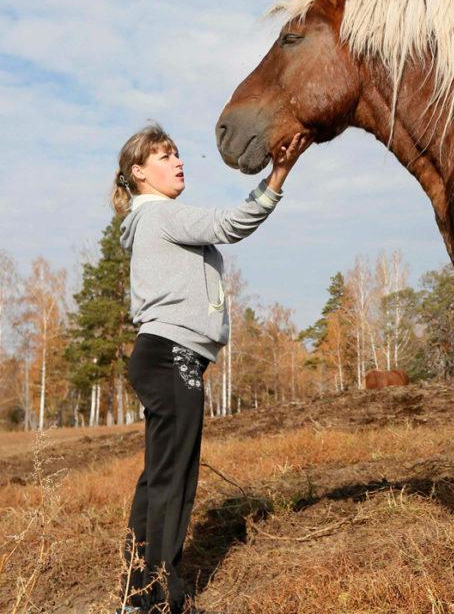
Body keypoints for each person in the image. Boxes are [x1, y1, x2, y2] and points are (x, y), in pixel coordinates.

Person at [113, 122, 310, 613]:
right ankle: (162, 598)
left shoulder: (150, 220)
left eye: (177, 153)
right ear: (138, 174)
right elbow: (232, 224)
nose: (178, 162)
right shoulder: (160, 215)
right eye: (164, 157)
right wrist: (279, 172)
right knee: (174, 477)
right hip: (171, 353)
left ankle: (138, 596)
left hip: (163, 354)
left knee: (160, 475)